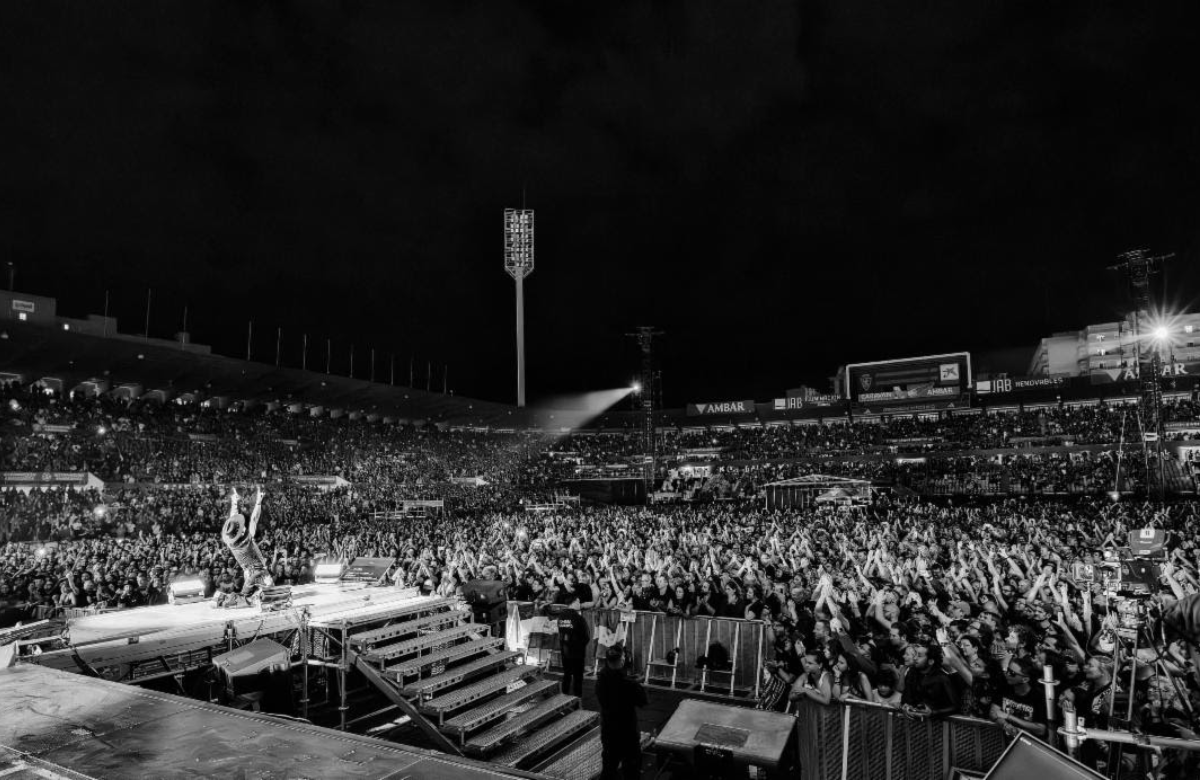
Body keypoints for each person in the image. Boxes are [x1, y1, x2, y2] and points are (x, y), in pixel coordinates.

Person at [596, 645, 647, 780]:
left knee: (609, 768)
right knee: (631, 769)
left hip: (608, 731)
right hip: (627, 732)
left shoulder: (601, 679)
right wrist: (636, 684)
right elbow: (643, 701)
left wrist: (631, 681)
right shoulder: (629, 685)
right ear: (622, 660)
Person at [216, 486, 273, 606]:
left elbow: (233, 519)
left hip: (248, 571)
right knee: (270, 594)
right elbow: (254, 519)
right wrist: (258, 502)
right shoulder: (247, 540)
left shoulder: (230, 542)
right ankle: (250, 598)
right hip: (259, 572)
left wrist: (234, 502)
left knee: (253, 595)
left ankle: (248, 598)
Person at [556, 595, 590, 697]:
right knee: (577, 678)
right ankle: (577, 700)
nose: (580, 604)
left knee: (566, 675)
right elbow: (586, 635)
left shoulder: (561, 616)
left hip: (565, 651)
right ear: (574, 602)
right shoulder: (578, 618)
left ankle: (563, 698)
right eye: (578, 602)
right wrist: (580, 646)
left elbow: (560, 632)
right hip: (577, 652)